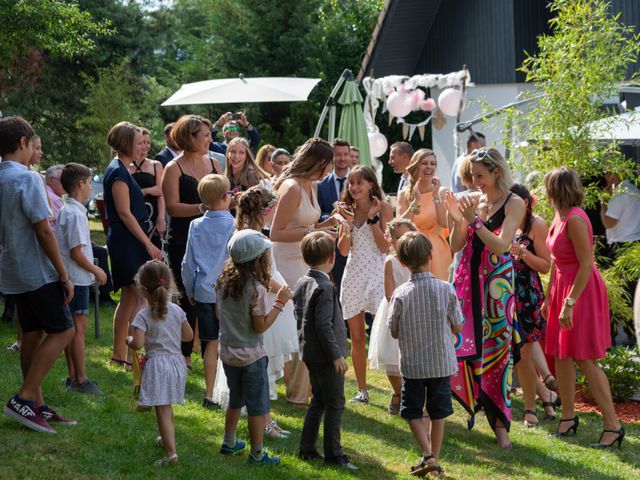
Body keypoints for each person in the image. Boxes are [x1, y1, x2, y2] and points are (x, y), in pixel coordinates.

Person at [1, 115, 75, 433]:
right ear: (23, 143)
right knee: (64, 330)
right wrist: (64, 274)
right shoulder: (28, 178)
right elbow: (43, 230)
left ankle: (37, 406)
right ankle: (24, 396)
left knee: (31, 334)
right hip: (37, 270)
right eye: (34, 144)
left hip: (12, 269)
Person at [446, 147, 525, 449]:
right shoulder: (473, 201)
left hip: (496, 289)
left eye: (479, 175)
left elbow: (502, 246)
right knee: (459, 348)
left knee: (497, 354)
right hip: (467, 285)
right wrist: (457, 220)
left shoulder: (514, 202)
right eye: (471, 175)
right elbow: (455, 245)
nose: (474, 181)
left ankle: (500, 429)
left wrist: (473, 222)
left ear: (496, 172)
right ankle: (437, 410)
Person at [542, 167, 624, 448]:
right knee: (561, 355)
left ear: (555, 189)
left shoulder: (576, 219)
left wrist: (569, 302)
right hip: (562, 289)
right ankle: (567, 416)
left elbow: (587, 265)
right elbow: (555, 260)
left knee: (585, 358)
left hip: (580, 290)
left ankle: (613, 425)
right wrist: (547, 297)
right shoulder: (559, 213)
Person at [212, 186, 296, 439]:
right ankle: (264, 423)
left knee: (265, 363)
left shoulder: (252, 234)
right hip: (262, 300)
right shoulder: (250, 239)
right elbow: (260, 275)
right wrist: (283, 292)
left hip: (264, 296)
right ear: (265, 210)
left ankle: (266, 419)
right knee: (262, 361)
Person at [270, 137, 341, 406]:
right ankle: (297, 391)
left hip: (305, 261)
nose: (329, 171)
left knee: (303, 326)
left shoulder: (311, 185)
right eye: (327, 165)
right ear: (317, 163)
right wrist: (316, 231)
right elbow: (276, 232)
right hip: (287, 263)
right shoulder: (291, 188)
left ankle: (301, 388)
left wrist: (329, 222)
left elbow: (306, 224)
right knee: (299, 327)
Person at [388, 231, 464, 477]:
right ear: (431, 255)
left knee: (412, 411)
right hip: (441, 362)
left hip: (413, 365)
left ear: (402, 263)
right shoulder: (446, 289)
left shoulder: (400, 294)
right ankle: (434, 459)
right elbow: (459, 323)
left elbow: (394, 331)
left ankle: (428, 454)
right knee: (438, 412)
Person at [215, 229, 292, 465]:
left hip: (228, 352)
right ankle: (257, 453)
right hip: (251, 356)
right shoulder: (256, 289)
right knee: (258, 407)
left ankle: (229, 442)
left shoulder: (222, 282)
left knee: (236, 399)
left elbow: (220, 315)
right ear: (258, 260)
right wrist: (280, 302)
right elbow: (260, 326)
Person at [162, 114, 222, 366]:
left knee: (212, 293)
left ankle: (212, 348)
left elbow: (223, 198)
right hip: (182, 240)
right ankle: (184, 351)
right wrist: (203, 207)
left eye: (210, 134)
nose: (210, 139)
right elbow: (173, 207)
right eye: (205, 135)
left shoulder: (216, 165)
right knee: (187, 295)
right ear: (189, 137)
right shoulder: (172, 168)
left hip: (212, 240)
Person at [295, 231, 357, 470]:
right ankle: (334, 454)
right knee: (334, 403)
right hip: (327, 356)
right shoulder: (325, 287)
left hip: (309, 352)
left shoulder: (302, 282)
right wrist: (336, 355)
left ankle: (307, 447)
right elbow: (323, 324)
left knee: (319, 401)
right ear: (332, 257)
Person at [103, 122, 163, 369]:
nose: (143, 147)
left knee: (129, 296)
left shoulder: (121, 168)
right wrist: (148, 244)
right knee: (137, 295)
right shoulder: (118, 172)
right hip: (126, 240)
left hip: (128, 238)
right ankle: (128, 354)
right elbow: (124, 213)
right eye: (139, 142)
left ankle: (121, 355)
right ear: (127, 143)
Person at [126, 260, 194, 466]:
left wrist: (127, 340)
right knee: (167, 406)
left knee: (162, 410)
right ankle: (166, 437)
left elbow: (137, 344)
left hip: (158, 366)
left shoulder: (143, 315)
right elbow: (188, 336)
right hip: (177, 364)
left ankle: (171, 454)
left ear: (143, 289)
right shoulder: (177, 311)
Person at [338, 165, 392, 403]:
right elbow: (342, 250)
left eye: (359, 182)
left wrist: (372, 220)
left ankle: (399, 390)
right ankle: (362, 390)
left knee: (389, 333)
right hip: (353, 275)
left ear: (371, 184)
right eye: (351, 182)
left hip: (378, 273)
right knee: (357, 336)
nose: (354, 187)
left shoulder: (383, 207)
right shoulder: (345, 210)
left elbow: (384, 247)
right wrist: (347, 225)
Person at [181, 174, 234, 408]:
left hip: (203, 290)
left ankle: (210, 392)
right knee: (230, 342)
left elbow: (187, 262)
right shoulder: (234, 224)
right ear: (225, 198)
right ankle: (230, 391)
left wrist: (190, 289)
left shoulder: (195, 224)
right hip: (229, 292)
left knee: (209, 343)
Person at [509, 183, 559, 425]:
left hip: (527, 293)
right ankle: (547, 398)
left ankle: (532, 409)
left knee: (524, 349)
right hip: (510, 293)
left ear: (526, 203)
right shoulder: (512, 224)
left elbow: (546, 265)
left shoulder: (537, 224)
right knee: (519, 350)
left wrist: (522, 253)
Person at [57, 163, 108, 395]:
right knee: (79, 329)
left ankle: (72, 374)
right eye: (89, 183)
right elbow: (76, 252)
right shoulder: (75, 213)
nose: (90, 187)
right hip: (76, 279)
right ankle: (80, 378)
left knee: (72, 329)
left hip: (71, 277)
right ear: (80, 184)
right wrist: (97, 271)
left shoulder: (67, 209)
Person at [368, 218, 416, 415]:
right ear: (390, 241)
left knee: (412, 356)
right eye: (396, 237)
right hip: (395, 310)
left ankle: (410, 392)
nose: (400, 240)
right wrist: (401, 308)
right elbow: (389, 293)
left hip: (416, 309)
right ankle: (398, 391)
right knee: (390, 354)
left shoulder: (418, 258)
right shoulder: (391, 261)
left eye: (404, 235)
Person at [397, 148, 452, 280]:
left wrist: (436, 196)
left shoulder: (442, 191)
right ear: (416, 165)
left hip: (438, 251)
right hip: (413, 251)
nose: (429, 167)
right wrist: (415, 202)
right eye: (425, 163)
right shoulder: (404, 194)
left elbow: (444, 224)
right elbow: (399, 227)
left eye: (433, 164)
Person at [600, 170, 640, 345]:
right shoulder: (634, 190)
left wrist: (603, 204)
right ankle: (632, 336)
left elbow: (609, 222)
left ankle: (613, 338)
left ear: (615, 175)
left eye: (607, 174)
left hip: (621, 245)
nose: (606, 178)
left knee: (615, 293)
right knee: (631, 293)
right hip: (633, 244)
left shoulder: (620, 193)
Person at [317, 138, 351, 291]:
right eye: (338, 155)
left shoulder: (359, 180)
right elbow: (317, 213)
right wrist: (331, 217)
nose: (342, 158)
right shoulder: (321, 184)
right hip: (332, 245)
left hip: (356, 243)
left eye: (345, 154)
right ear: (332, 157)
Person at [129, 128, 166, 249]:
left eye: (148, 142)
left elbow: (160, 194)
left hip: (153, 216)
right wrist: (147, 191)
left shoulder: (156, 165)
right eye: (142, 142)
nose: (146, 146)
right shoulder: (125, 166)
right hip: (132, 214)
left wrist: (161, 218)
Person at [44, 164, 64, 232]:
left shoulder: (43, 192)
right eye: (62, 180)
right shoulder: (55, 199)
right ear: (50, 180)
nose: (66, 183)